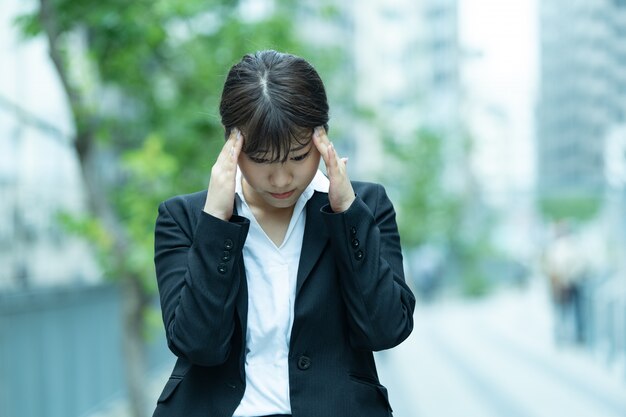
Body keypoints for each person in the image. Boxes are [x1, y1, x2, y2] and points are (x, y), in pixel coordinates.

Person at [152, 50, 415, 417]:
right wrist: (216, 222)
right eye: (261, 160)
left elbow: (385, 330)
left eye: (297, 156)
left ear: (321, 137)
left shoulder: (364, 206)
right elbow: (198, 345)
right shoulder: (185, 218)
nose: (280, 179)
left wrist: (346, 215)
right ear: (232, 143)